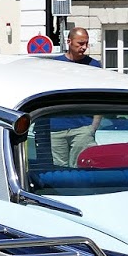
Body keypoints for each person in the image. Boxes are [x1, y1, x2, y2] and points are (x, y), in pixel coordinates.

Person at [46, 28, 102, 165]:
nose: (84, 47)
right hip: (57, 127)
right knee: (60, 171)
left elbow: (100, 96)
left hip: (83, 127)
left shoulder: (94, 66)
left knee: (82, 168)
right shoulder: (55, 65)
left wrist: (93, 126)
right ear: (69, 42)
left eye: (86, 44)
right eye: (80, 43)